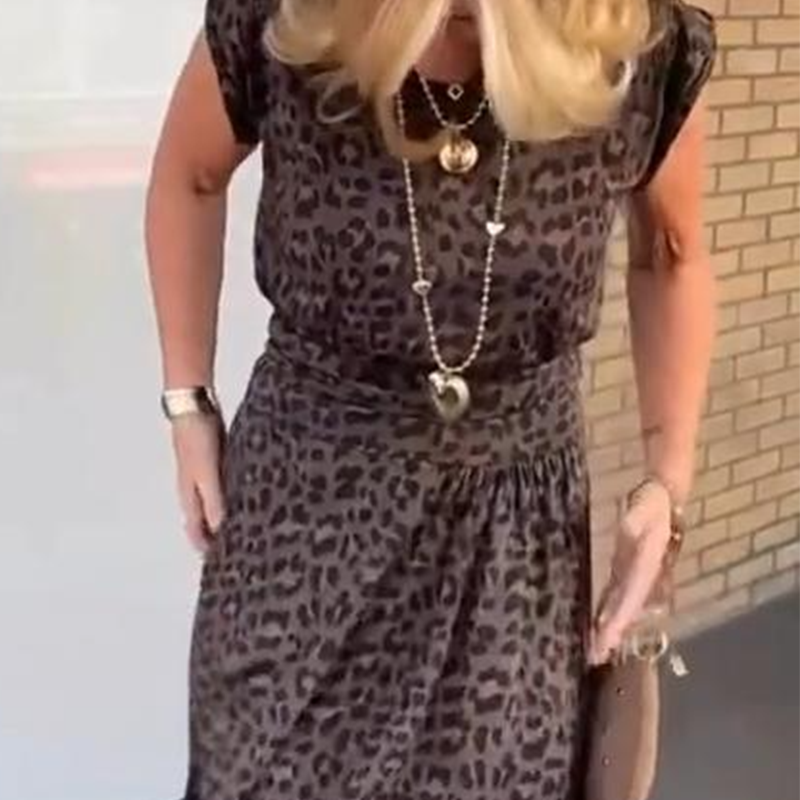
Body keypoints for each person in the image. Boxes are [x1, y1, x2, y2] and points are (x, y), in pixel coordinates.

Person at [144, 0, 718, 797]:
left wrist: (667, 481)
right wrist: (187, 402)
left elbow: (672, 254)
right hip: (304, 517)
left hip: (511, 551)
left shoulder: (639, 44)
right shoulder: (283, 18)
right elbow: (190, 175)